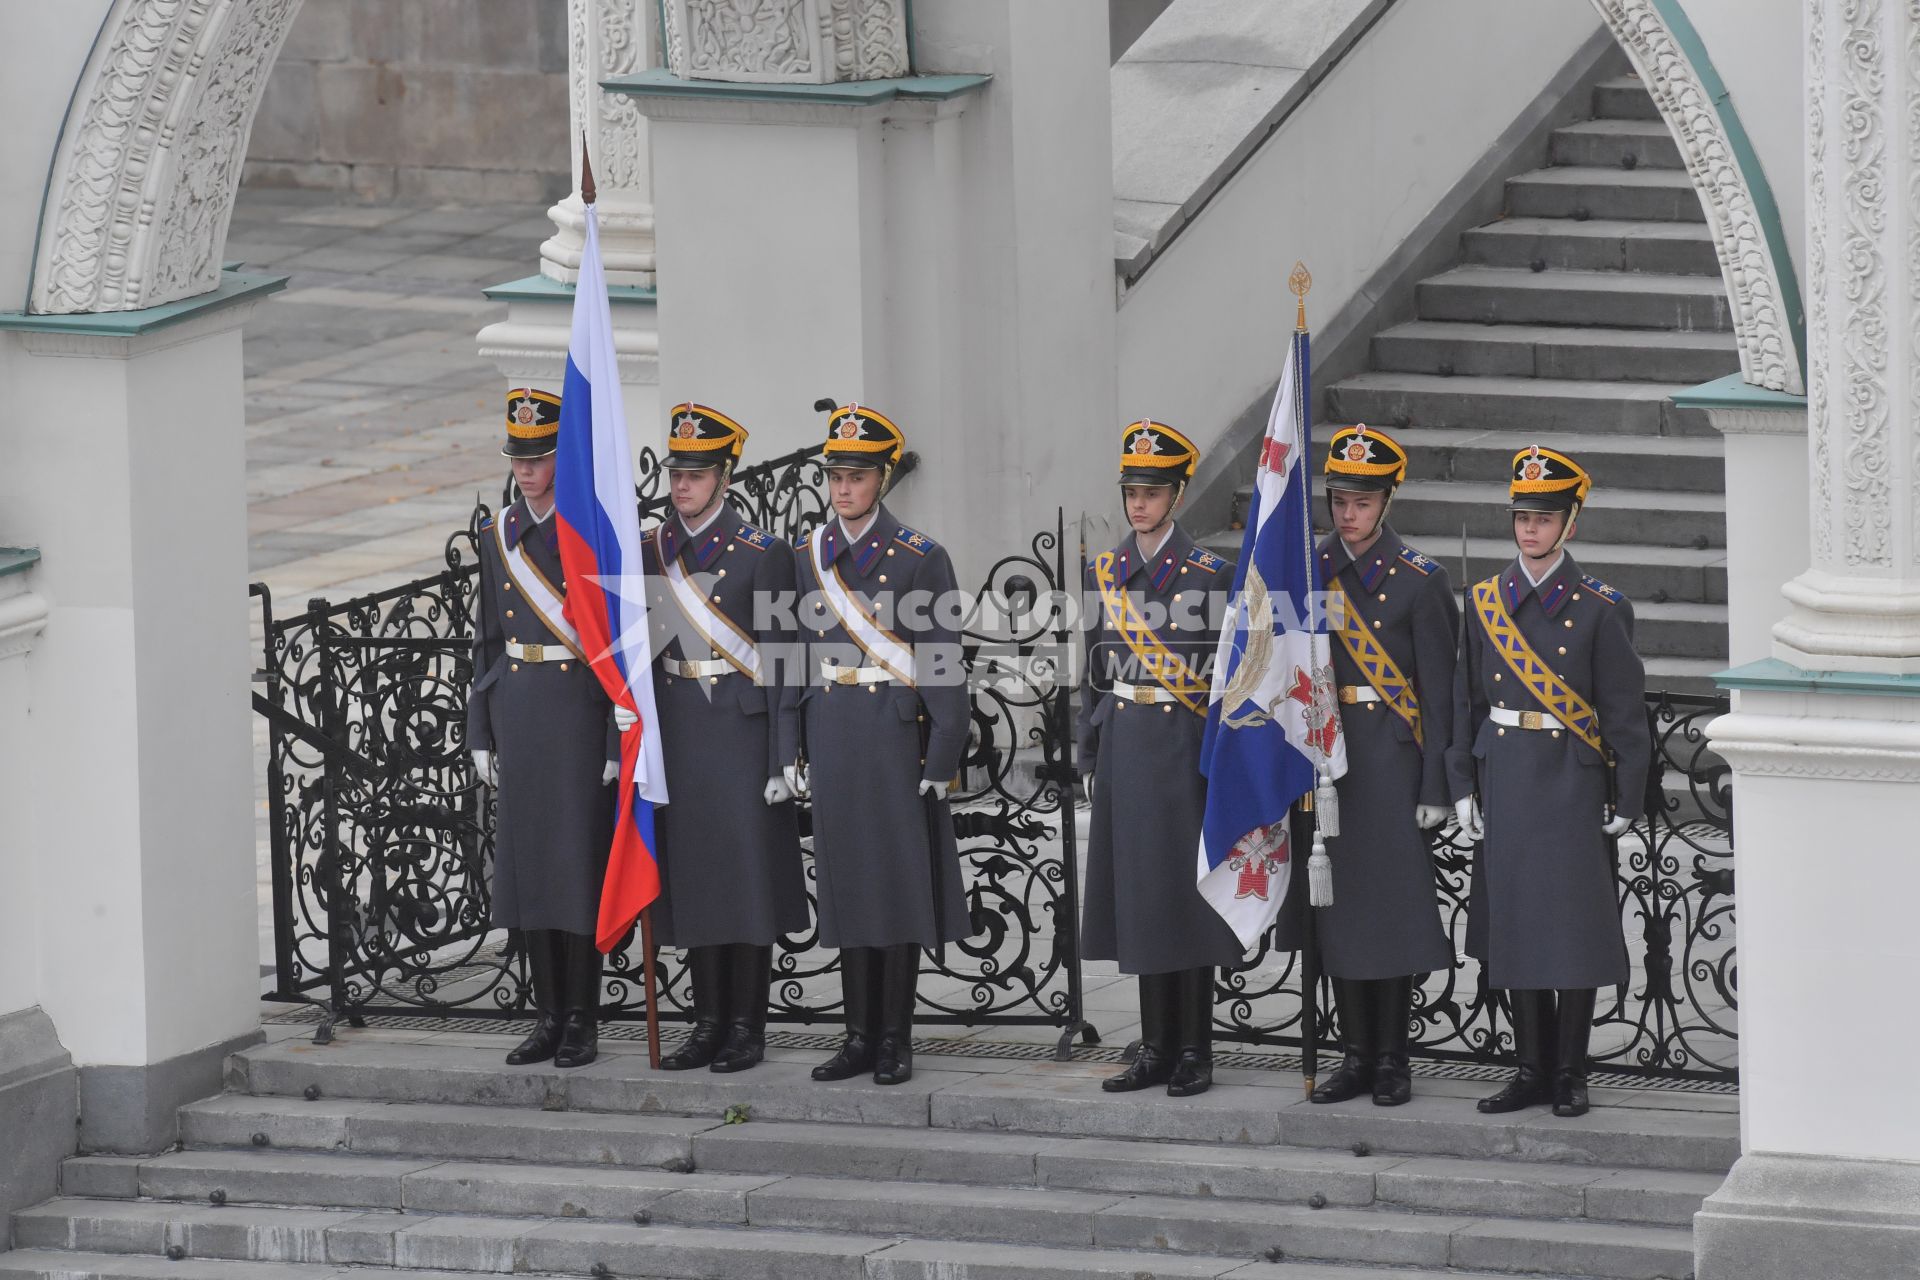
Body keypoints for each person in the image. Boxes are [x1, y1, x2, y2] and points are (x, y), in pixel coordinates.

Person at [1449, 446, 1652, 1118]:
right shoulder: (1484, 603)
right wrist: (1462, 784)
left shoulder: (1600, 607)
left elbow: (1624, 712)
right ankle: (1528, 1066)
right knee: (1515, 925)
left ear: (1571, 524)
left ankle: (1570, 1070)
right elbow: (1466, 702)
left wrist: (1627, 796)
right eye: (1521, 517)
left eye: (1544, 518)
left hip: (1570, 779)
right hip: (1506, 774)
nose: (1529, 530)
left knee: (1570, 927)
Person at [1273, 424, 1457, 1107]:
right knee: (1339, 916)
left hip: (1389, 764)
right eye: (1339, 500)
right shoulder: (1308, 570)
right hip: (1325, 760)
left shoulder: (1420, 582)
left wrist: (1438, 784)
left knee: (1391, 914)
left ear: (1388, 502)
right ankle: (1353, 1055)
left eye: (1362, 501)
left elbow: (1439, 694)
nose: (1348, 514)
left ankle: (1393, 1060)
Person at [795, 403, 970, 1087]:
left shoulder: (923, 558)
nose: (843, 489)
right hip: (835, 730)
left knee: (896, 889)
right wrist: (793, 746)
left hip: (897, 737)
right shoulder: (810, 555)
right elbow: (794, 653)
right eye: (836, 475)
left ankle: (895, 1037)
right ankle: (857, 1035)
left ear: (883, 478)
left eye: (857, 476)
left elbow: (945, 660)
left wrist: (944, 753)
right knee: (847, 887)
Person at [1078, 419, 1243, 1099]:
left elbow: (1230, 679)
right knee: (1142, 899)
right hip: (1127, 748)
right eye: (1132, 492)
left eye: (1152, 491)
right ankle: (1153, 1045)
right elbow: (1089, 670)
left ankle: (1195, 1050)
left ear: (1177, 494)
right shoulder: (1106, 573)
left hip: (1183, 755)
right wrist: (1089, 748)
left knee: (1188, 901)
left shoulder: (1210, 573)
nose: (1139, 504)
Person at [643, 403, 809, 1073]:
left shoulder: (762, 554)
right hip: (681, 728)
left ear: (725, 477)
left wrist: (782, 754)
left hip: (741, 735)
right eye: (677, 474)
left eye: (696, 474)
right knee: (696, 882)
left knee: (746, 885)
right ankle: (705, 1022)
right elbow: (642, 654)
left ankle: (747, 1027)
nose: (681, 486)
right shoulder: (657, 549)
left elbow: (784, 656)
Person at [468, 386, 620, 1069]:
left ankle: (582, 1018)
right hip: (521, 712)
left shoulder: (586, 529)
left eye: (539, 458)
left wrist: (620, 740)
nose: (527, 471)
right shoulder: (498, 536)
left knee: (574, 872)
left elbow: (618, 644)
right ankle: (546, 1014)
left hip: (578, 715)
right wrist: (479, 729)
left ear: (562, 459)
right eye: (518, 458)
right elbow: (487, 642)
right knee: (531, 875)